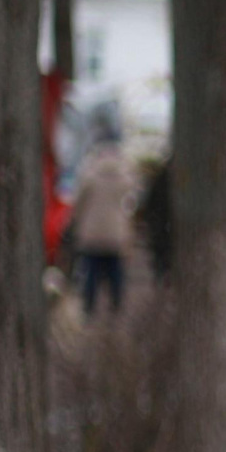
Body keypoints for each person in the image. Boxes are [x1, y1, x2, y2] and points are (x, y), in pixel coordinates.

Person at [69, 113, 136, 318]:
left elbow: (78, 202)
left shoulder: (89, 173)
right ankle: (116, 308)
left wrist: (77, 223)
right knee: (116, 272)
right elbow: (131, 201)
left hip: (92, 232)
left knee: (91, 272)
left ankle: (89, 309)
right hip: (116, 233)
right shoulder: (125, 174)